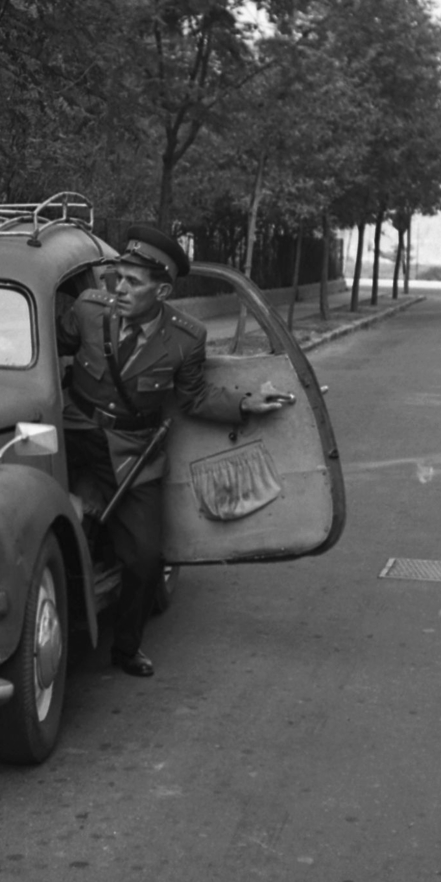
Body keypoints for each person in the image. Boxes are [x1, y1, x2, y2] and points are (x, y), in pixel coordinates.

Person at [58, 224, 292, 677]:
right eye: (117, 277)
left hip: (130, 450)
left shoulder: (186, 337)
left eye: (132, 282)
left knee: (145, 557)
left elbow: (194, 398)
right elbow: (45, 347)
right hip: (71, 431)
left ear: (162, 290)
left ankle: (126, 649)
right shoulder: (89, 311)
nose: (118, 288)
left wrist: (246, 402)